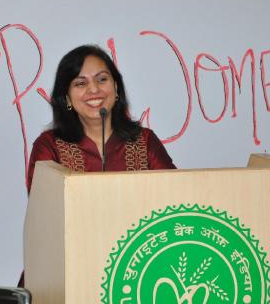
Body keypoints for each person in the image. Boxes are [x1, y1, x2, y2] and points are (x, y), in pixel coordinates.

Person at [19, 44, 176, 286]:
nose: (94, 89)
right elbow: (45, 213)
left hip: (137, 271)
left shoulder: (145, 141)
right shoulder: (49, 145)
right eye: (80, 83)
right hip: (65, 273)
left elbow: (175, 200)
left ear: (116, 88)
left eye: (102, 79)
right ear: (66, 98)